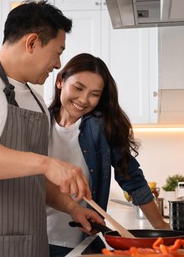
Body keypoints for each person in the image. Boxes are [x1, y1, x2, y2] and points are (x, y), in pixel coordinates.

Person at [0, 1, 103, 257]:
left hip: (32, 244)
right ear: (32, 42)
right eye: (57, 52)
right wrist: (47, 164)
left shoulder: (35, 101)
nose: (58, 63)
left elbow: (31, 178)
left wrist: (72, 207)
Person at [46, 53, 171, 256]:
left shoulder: (101, 127)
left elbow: (131, 178)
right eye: (78, 88)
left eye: (94, 94)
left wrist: (160, 226)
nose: (84, 100)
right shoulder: (37, 122)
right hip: (35, 236)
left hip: (80, 242)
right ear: (60, 81)